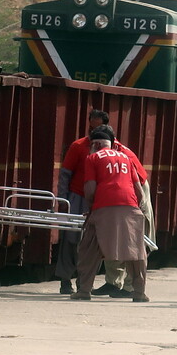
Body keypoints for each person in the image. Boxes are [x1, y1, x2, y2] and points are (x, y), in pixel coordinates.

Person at [71, 126, 149, 302]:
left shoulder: (92, 158)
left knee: (89, 249)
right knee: (136, 252)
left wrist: (91, 209)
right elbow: (139, 190)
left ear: (96, 145)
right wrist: (138, 209)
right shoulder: (126, 158)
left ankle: (84, 290)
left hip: (103, 207)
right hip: (130, 207)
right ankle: (139, 293)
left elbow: (90, 189)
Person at [90, 127, 154, 298]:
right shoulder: (105, 151)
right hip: (125, 192)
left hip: (135, 191)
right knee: (113, 238)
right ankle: (114, 282)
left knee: (132, 241)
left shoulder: (121, 153)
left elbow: (138, 184)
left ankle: (130, 287)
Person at [55, 109, 109, 294]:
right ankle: (65, 280)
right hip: (77, 198)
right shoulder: (78, 146)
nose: (93, 131)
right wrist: (63, 199)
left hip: (99, 200)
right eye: (91, 127)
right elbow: (65, 174)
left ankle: (84, 281)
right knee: (70, 240)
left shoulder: (112, 149)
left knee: (92, 242)